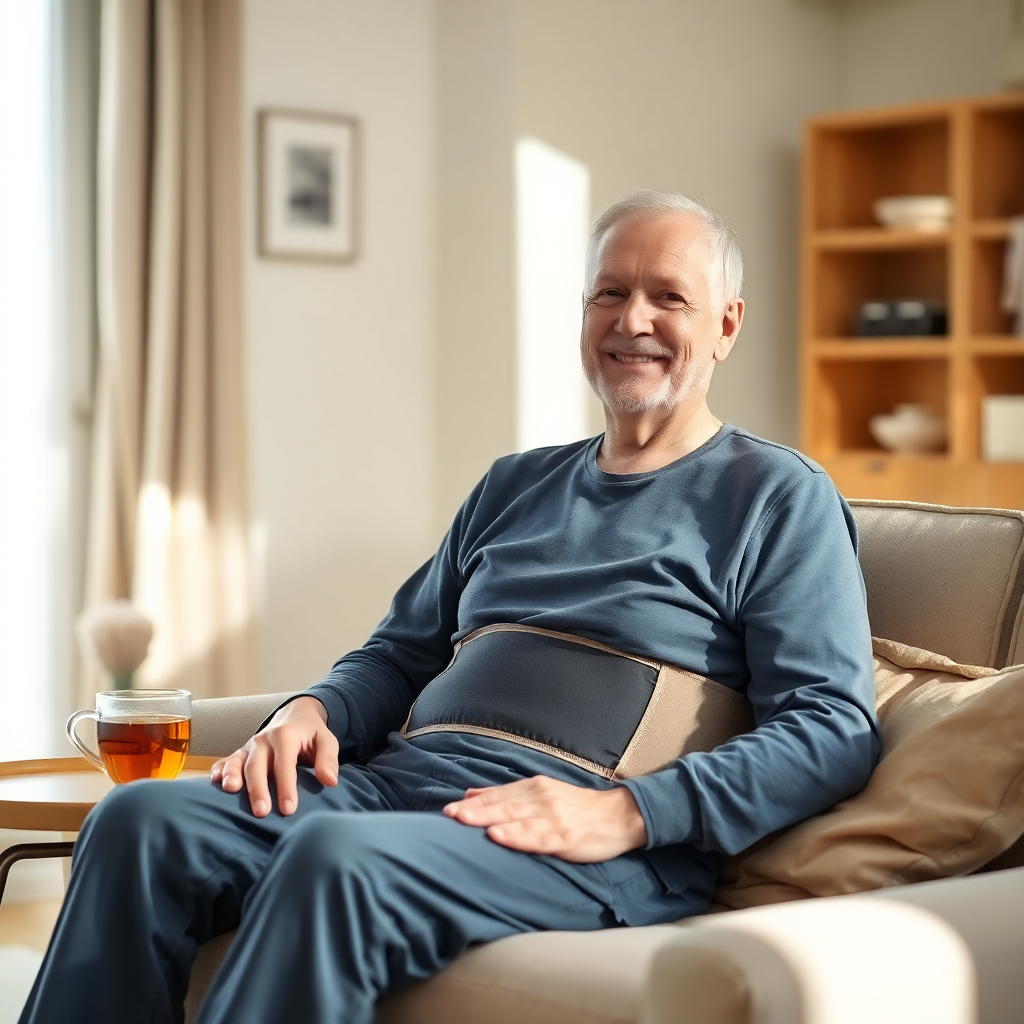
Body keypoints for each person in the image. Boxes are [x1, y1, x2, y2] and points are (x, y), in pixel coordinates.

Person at [19, 190, 880, 1024]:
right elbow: (397, 655)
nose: (633, 321)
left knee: (331, 861)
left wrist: (628, 812)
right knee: (140, 819)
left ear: (727, 324)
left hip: (584, 835)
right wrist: (312, 708)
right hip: (397, 791)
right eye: (609, 292)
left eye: (669, 297)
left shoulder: (776, 497)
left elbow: (831, 725)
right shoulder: (516, 483)